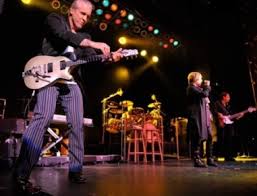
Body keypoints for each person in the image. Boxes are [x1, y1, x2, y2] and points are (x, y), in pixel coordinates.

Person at [13, 0, 123, 195]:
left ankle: (75, 170)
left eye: (88, 16)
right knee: (42, 118)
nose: (85, 18)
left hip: (71, 82)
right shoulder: (55, 19)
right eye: (82, 13)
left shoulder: (85, 36)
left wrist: (109, 58)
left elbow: (91, 58)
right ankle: (21, 175)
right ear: (71, 11)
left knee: (77, 124)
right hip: (48, 78)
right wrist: (92, 43)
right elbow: (64, 36)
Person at [186, 72, 217, 167]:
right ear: (195, 80)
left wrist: (209, 113)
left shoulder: (199, 89)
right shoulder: (191, 88)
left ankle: (210, 158)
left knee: (210, 136)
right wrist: (207, 86)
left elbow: (205, 100)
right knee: (198, 137)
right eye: (200, 79)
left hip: (204, 116)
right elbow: (204, 94)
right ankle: (197, 159)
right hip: (196, 116)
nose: (202, 80)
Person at [213, 91, 244, 161]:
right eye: (228, 97)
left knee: (229, 140)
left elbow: (232, 116)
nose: (229, 98)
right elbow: (214, 111)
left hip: (229, 125)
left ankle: (228, 156)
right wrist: (218, 114)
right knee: (220, 139)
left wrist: (239, 116)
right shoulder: (217, 103)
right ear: (223, 97)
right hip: (221, 123)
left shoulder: (228, 106)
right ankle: (216, 156)